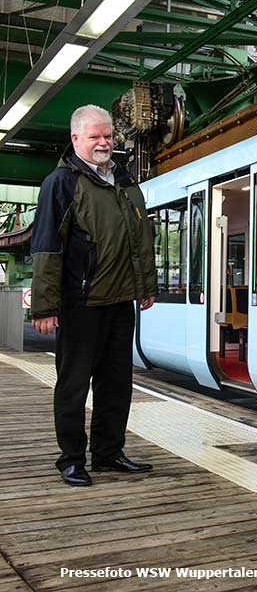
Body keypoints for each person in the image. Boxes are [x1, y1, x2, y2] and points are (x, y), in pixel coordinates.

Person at [31, 105, 157, 487]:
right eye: (94, 137)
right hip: (80, 301)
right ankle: (71, 458)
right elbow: (47, 246)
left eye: (108, 136)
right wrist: (46, 305)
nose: (104, 142)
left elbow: (140, 240)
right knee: (73, 384)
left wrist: (146, 286)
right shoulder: (61, 183)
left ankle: (108, 452)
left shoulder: (125, 181)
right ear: (75, 139)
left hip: (121, 301)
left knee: (117, 383)